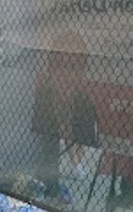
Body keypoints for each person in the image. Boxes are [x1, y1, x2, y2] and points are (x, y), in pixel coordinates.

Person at [30, 30, 99, 199]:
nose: (66, 74)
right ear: (51, 68)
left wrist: (76, 163)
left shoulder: (85, 105)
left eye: (75, 67)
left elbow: (85, 146)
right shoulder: (38, 100)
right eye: (60, 65)